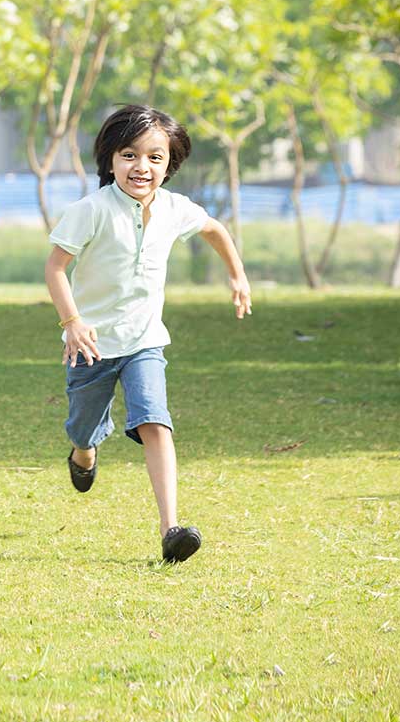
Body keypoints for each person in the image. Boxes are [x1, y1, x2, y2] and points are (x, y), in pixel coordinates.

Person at [44, 103, 252, 563]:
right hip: (91, 345)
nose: (142, 167)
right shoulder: (92, 209)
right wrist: (72, 322)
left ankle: (170, 529)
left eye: (155, 157)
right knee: (84, 427)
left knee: (155, 422)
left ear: (170, 164)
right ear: (111, 159)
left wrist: (237, 275)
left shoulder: (176, 209)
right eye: (130, 155)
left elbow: (214, 229)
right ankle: (83, 453)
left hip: (145, 341)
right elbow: (56, 267)